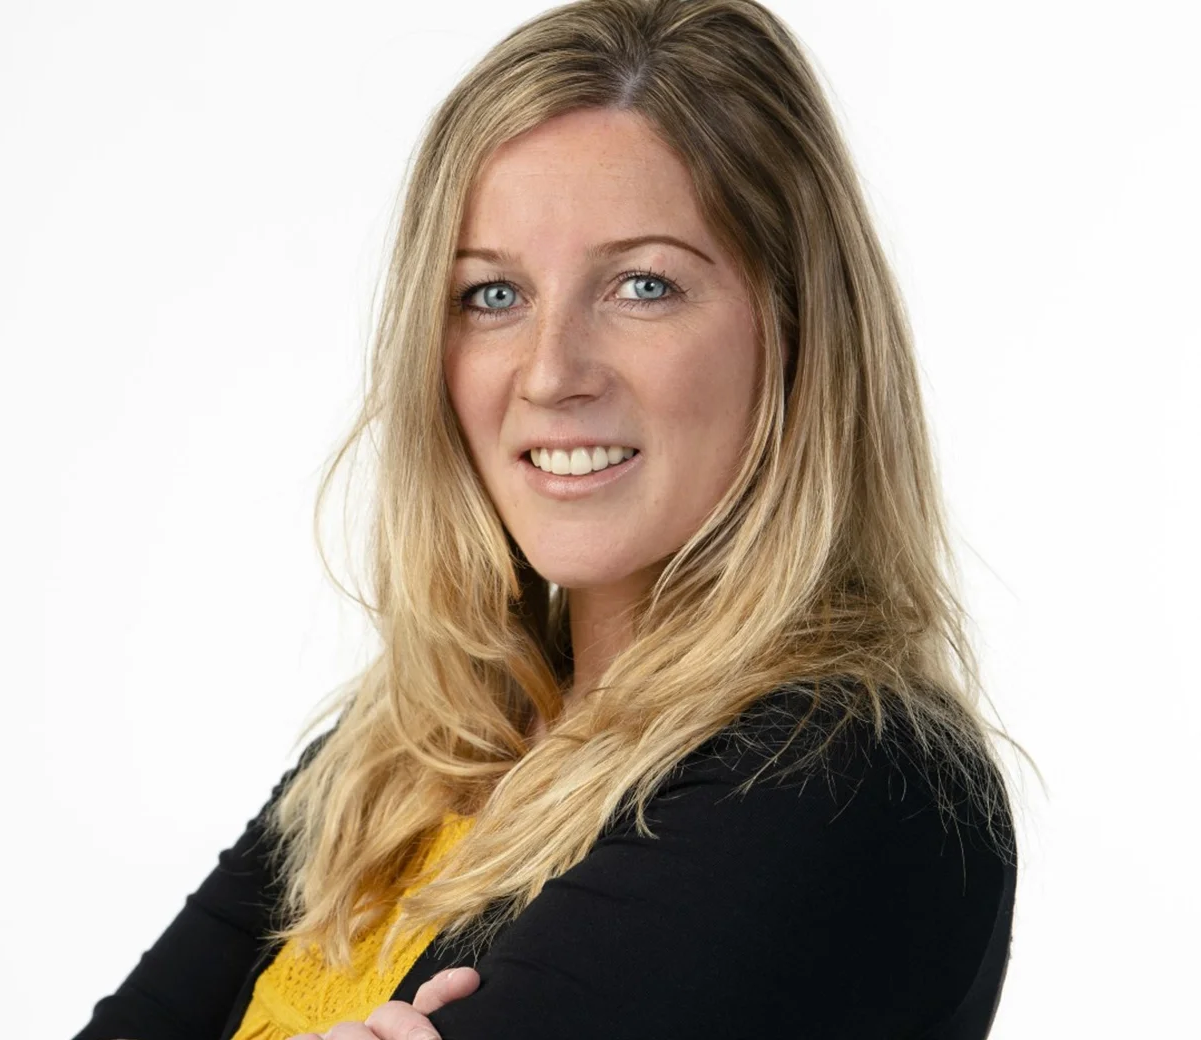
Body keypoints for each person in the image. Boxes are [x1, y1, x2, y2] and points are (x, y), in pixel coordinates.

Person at [72, 1, 1028, 1038]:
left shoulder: (841, 773)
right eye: (493, 295)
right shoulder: (400, 756)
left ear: (797, 328)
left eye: (643, 285)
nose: (550, 372)